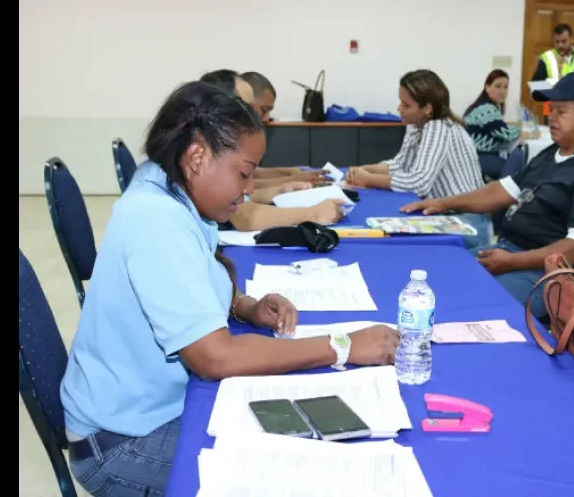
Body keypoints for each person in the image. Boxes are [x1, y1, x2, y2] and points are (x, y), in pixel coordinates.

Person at [59, 81, 400, 496]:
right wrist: (344, 346)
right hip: (122, 443)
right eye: (243, 172)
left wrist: (242, 306)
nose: (248, 189)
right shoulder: (157, 221)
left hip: (144, 412)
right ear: (197, 155)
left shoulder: (170, 187)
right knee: (291, 470)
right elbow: (215, 357)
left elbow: (190, 279)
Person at [400, 73, 574, 318]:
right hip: (510, 252)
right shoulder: (552, 154)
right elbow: (501, 190)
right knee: (433, 277)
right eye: (551, 110)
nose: (551, 118)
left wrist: (511, 262)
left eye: (562, 111)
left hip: (552, 275)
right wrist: (444, 203)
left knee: (465, 304)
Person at [345, 69, 488, 249]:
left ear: (427, 108)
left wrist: (368, 179)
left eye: (406, 105)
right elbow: (400, 165)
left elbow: (419, 182)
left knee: (397, 242)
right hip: (443, 213)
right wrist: (364, 169)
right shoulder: (417, 126)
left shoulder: (438, 127)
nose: (399, 109)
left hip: (466, 221)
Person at [198, 69, 345, 230]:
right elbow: (246, 216)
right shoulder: (207, 150)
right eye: (247, 108)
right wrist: (313, 213)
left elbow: (244, 198)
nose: (258, 118)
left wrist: (282, 188)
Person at [199, 69, 330, 187]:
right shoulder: (205, 150)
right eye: (263, 110)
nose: (267, 118)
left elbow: (249, 179)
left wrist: (288, 175)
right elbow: (245, 196)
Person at [463, 69, 522, 181]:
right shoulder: (486, 109)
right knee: (517, 165)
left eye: (505, 87)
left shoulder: (483, 106)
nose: (502, 91)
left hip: (476, 157)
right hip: (478, 158)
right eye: (498, 86)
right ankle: (504, 196)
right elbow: (506, 135)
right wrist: (521, 131)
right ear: (487, 87)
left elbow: (499, 129)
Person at [530, 23, 574, 124]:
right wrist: (554, 86)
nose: (560, 45)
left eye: (564, 41)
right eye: (557, 42)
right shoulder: (547, 57)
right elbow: (535, 89)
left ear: (571, 39)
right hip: (551, 111)